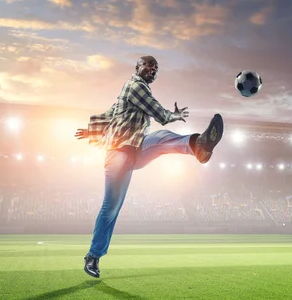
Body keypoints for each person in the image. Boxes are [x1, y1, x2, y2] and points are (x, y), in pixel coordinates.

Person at [74, 55, 224, 278]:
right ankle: (93, 257)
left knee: (161, 138)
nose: (153, 69)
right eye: (148, 65)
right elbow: (159, 112)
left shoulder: (128, 93)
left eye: (156, 67)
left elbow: (110, 114)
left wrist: (90, 130)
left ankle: (198, 145)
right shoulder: (136, 86)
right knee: (111, 207)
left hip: (135, 149)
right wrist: (173, 115)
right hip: (117, 154)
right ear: (137, 67)